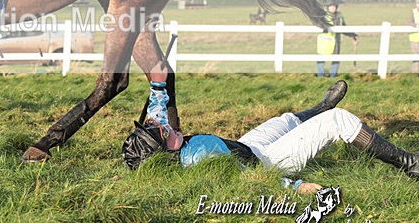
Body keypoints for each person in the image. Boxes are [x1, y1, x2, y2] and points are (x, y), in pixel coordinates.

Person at [123, 72, 419, 193]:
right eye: (161, 133)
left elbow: (158, 106)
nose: (163, 126)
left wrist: (158, 83)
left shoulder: (161, 133)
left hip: (244, 147)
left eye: (155, 125)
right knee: (338, 120)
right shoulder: (201, 159)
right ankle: (409, 163)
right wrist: (295, 186)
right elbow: (248, 179)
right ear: (166, 151)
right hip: (267, 163)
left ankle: (320, 107)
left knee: (286, 119)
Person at [316, 0, 358, 78]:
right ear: (328, 7)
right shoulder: (323, 15)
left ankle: (333, 76)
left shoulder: (339, 16)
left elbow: (344, 28)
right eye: (331, 6)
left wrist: (353, 35)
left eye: (334, 6)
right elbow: (318, 24)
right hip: (325, 42)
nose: (332, 8)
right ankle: (320, 76)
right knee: (321, 60)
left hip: (336, 42)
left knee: (336, 59)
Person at [410, 0, 419, 73]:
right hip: (415, 38)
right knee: (416, 58)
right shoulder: (413, 12)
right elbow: (410, 22)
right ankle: (415, 73)